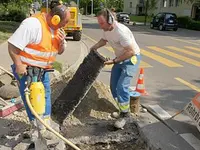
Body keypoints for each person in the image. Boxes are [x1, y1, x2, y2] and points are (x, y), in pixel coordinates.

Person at [8, 2, 70, 140]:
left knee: (45, 96)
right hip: (26, 71)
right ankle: (36, 128)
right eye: (63, 23)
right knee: (31, 98)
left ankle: (45, 126)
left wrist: (61, 44)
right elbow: (12, 45)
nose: (64, 26)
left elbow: (60, 51)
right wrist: (18, 65)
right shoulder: (32, 25)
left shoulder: (57, 29)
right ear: (55, 19)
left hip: (43, 71)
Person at [90, 9, 141, 129]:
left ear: (110, 20)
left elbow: (131, 51)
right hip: (120, 58)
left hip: (131, 59)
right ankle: (122, 110)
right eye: (99, 23)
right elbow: (104, 40)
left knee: (122, 86)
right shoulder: (107, 30)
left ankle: (125, 115)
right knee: (113, 86)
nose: (100, 26)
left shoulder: (121, 32)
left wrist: (113, 61)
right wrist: (94, 47)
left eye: (102, 23)